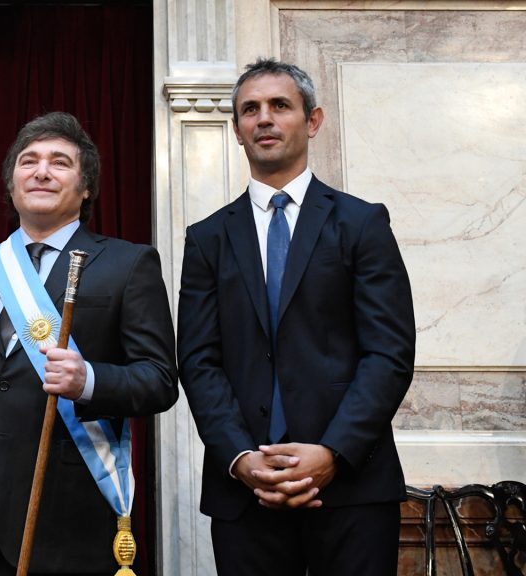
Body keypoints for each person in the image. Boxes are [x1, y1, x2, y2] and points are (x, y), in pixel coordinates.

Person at [177, 58, 416, 575]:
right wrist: (241, 459)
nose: (264, 118)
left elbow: (389, 354)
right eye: (250, 110)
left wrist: (332, 453)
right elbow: (197, 361)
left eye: (279, 105)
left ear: (312, 121)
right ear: (237, 130)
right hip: (246, 493)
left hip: (352, 488)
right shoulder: (207, 238)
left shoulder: (362, 223)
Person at [0, 111, 178, 576]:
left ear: (86, 187)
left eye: (60, 162)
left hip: (72, 515)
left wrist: (88, 380)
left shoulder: (129, 264)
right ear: (11, 183)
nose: (42, 171)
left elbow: (159, 381)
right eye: (28, 161)